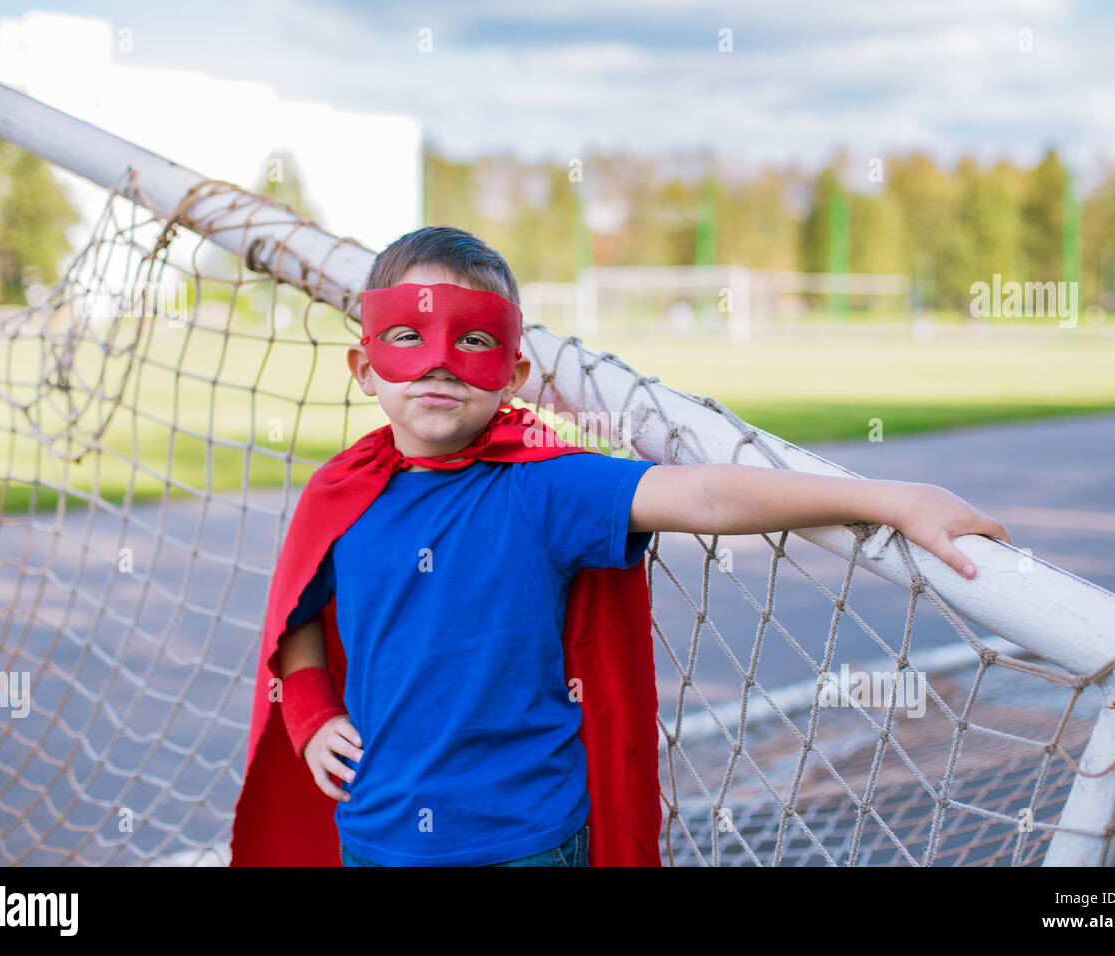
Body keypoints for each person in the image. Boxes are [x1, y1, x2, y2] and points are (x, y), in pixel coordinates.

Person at [232, 226, 1011, 868]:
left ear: (513, 372)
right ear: (366, 369)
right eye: (408, 337)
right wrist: (305, 706)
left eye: (472, 339)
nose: (438, 359)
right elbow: (302, 604)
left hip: (525, 841)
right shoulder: (341, 492)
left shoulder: (546, 490)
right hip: (376, 835)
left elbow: (704, 493)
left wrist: (889, 499)